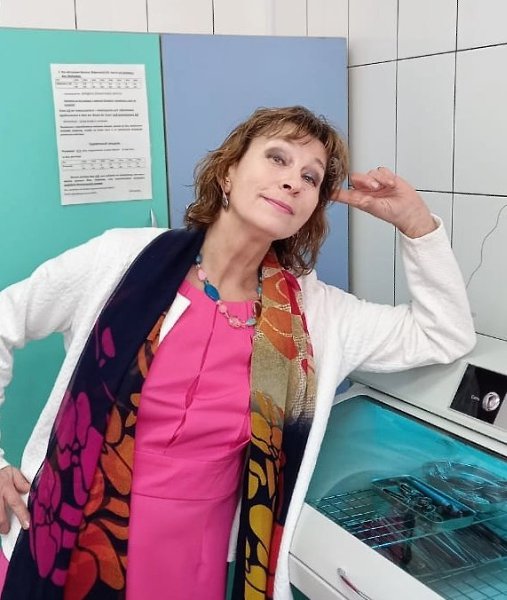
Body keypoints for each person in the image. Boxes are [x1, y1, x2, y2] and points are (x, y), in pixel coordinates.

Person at [0, 106, 475, 600]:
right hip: (65, 535)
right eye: (278, 158)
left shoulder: (317, 315)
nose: (292, 181)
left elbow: (443, 333)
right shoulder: (122, 260)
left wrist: (417, 225)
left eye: (310, 177)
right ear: (227, 173)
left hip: (193, 562)